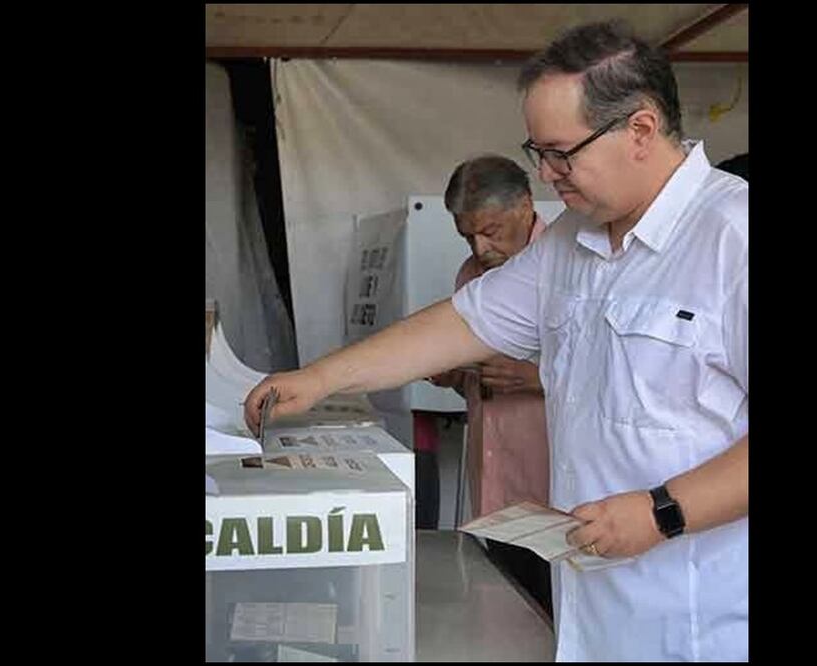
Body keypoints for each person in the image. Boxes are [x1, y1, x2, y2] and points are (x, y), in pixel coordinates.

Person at [246, 20, 748, 661]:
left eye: (561, 153)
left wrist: (663, 512)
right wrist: (319, 378)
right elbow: (463, 323)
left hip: (701, 622)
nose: (546, 174)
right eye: (537, 151)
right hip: (594, 612)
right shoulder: (572, 241)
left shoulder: (732, 236)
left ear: (641, 130)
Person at [426, 154, 553, 616]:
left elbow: (619, 374)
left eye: (491, 231)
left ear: (525, 205)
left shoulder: (568, 263)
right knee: (506, 615)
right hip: (495, 487)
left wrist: (538, 378)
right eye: (467, 236)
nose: (480, 248)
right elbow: (476, 384)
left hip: (554, 490)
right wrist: (455, 373)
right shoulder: (470, 275)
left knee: (553, 616)